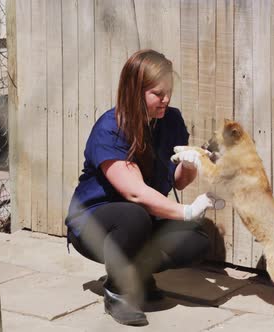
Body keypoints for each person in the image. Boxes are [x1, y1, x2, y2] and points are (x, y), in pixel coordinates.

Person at [65, 49, 220, 326]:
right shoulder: (110, 128)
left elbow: (179, 180)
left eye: (169, 92)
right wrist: (186, 211)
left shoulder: (170, 119)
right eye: (158, 94)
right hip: (95, 222)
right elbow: (134, 192)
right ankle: (117, 291)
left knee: (196, 241)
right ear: (135, 91)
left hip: (144, 218)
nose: (166, 99)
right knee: (132, 215)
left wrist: (191, 161)